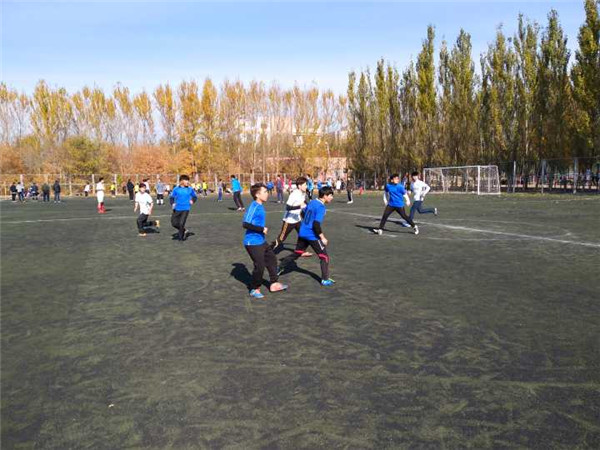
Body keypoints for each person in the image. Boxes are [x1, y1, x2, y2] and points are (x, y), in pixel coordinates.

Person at [279, 186, 336, 286]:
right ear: (325, 196)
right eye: (330, 195)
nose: (332, 197)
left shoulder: (312, 202)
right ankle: (325, 279)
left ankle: (279, 267)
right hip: (311, 235)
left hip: (302, 232)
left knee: (297, 253)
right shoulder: (321, 207)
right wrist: (322, 237)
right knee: (324, 257)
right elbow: (316, 225)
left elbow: (304, 212)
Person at [243, 183, 289, 299]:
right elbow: (245, 224)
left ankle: (274, 284)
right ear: (257, 195)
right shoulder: (254, 206)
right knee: (260, 265)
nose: (267, 194)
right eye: (264, 192)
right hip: (252, 242)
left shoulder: (260, 205)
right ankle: (254, 288)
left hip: (260, 240)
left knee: (272, 258)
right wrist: (261, 229)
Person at [271, 176, 312, 256]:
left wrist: (309, 211)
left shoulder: (303, 193)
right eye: (305, 185)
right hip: (289, 221)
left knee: (304, 234)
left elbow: (304, 202)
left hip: (297, 219)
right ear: (299, 186)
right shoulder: (294, 194)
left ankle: (300, 251)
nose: (306, 186)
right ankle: (268, 251)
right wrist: (299, 206)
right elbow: (288, 207)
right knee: (281, 238)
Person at [170, 174, 197, 241]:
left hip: (186, 208)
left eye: (188, 180)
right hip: (177, 208)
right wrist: (172, 203)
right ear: (181, 181)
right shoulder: (176, 189)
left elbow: (194, 197)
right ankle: (184, 230)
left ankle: (181, 238)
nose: (188, 182)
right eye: (186, 180)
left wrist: (192, 200)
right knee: (174, 223)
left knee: (181, 223)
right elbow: (171, 197)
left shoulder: (190, 189)